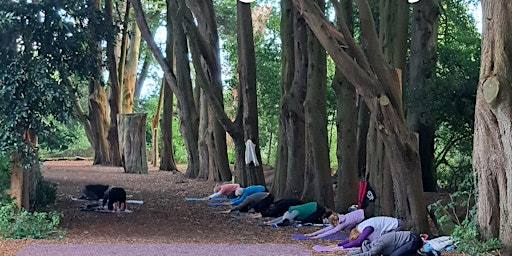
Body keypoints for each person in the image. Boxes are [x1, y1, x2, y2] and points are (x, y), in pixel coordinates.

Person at [336, 216, 404, 249]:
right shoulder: (359, 229)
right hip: (395, 225)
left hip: (397, 226)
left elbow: (358, 241)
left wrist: (343, 247)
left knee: (385, 242)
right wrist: (338, 245)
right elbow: (350, 240)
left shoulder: (366, 228)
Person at [346, 231, 424, 256]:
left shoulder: (377, 244)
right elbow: (361, 251)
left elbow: (370, 254)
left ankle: (421, 253)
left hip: (413, 239)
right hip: (409, 240)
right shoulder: (371, 244)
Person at [264, 201, 330, 227]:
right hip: (304, 209)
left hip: (313, 208)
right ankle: (271, 223)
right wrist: (271, 222)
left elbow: (283, 218)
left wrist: (273, 223)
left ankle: (270, 222)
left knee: (308, 220)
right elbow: (282, 218)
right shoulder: (289, 213)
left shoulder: (293, 213)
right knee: (286, 219)